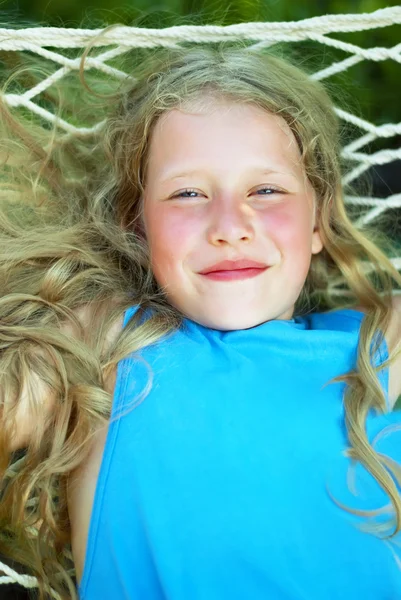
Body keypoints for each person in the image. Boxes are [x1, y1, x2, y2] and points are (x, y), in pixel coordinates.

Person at [0, 38, 401, 600]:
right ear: (136, 226)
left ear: (320, 221)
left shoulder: (374, 346)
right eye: (187, 193)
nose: (229, 225)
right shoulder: (106, 345)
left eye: (266, 190)